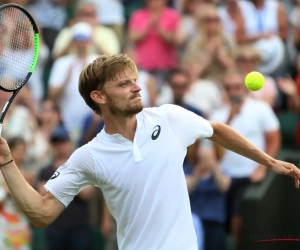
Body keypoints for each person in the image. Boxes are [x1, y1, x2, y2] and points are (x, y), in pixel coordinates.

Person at [0, 54, 299, 250]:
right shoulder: (88, 156)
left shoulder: (169, 117)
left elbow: (217, 130)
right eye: (124, 83)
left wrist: (269, 161)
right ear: (99, 96)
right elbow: (41, 213)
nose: (136, 87)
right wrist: (6, 161)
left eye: (135, 80)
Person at [210, 69, 281, 250]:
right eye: (229, 88)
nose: (233, 91)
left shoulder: (261, 109)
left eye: (237, 87)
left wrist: (262, 167)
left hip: (248, 177)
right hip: (223, 178)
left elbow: (274, 138)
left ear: (245, 88)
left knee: (237, 223)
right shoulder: (218, 116)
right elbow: (216, 152)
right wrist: (230, 117)